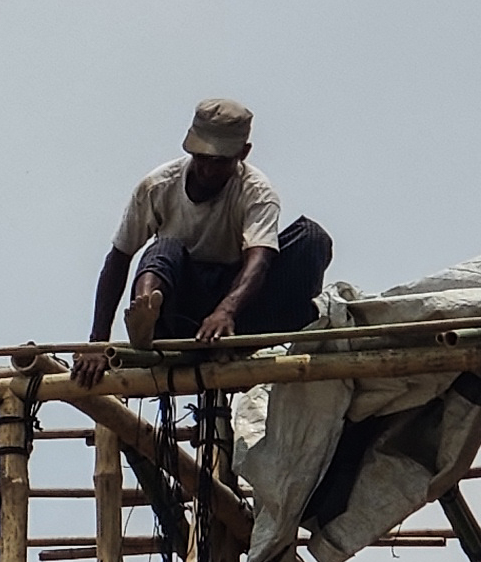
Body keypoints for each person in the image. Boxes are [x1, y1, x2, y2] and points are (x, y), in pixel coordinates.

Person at [70, 99, 333, 386]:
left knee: (312, 237)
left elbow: (259, 260)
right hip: (179, 312)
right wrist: (97, 343)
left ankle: (239, 342)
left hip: (237, 315)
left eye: (219, 161)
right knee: (164, 248)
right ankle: (146, 313)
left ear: (243, 153)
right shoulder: (158, 186)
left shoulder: (257, 193)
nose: (207, 169)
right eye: (201, 157)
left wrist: (225, 311)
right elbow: (119, 258)